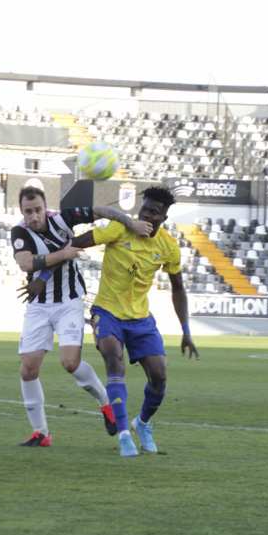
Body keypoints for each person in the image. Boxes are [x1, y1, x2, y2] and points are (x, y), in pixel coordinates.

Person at [49, 185, 200, 456]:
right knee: (113, 358)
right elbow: (80, 242)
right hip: (107, 312)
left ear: (163, 218)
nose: (148, 215)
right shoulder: (119, 229)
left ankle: (142, 424)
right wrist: (45, 269)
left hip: (141, 319)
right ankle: (123, 436)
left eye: (155, 212)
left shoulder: (168, 246)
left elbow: (178, 288)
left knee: (159, 377)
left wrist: (186, 330)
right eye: (145, 209)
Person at [9, 185, 153, 447]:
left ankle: (106, 405)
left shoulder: (62, 218)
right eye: (28, 212)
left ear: (45, 207)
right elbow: (25, 263)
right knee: (27, 370)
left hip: (69, 302)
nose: (34, 217)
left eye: (38, 210)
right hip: (38, 306)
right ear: (22, 212)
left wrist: (130, 222)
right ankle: (40, 433)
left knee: (70, 363)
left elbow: (101, 210)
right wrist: (63, 254)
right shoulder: (20, 231)